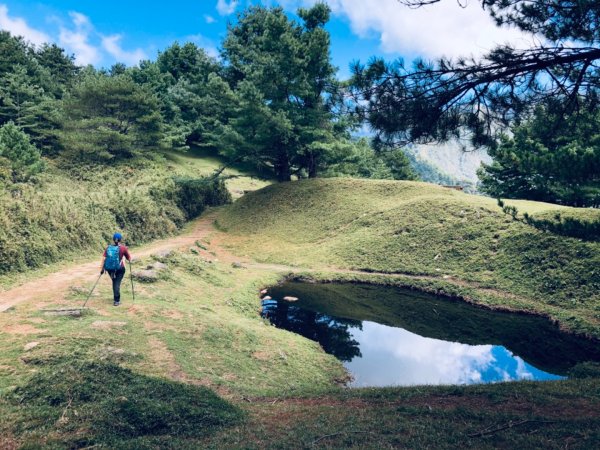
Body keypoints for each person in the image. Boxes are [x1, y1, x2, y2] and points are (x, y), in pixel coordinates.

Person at [100, 232, 132, 306]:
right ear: (120, 240)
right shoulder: (123, 248)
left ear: (113, 239)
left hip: (110, 269)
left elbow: (104, 258)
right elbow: (129, 258)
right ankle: (116, 301)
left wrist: (102, 269)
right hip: (120, 269)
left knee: (114, 282)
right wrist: (129, 258)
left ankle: (116, 297)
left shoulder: (108, 248)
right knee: (116, 283)